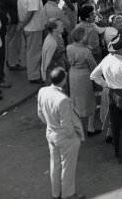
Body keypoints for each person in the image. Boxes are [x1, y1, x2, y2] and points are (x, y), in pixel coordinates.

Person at [37, 68, 85, 199]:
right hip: (65, 137)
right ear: (63, 80)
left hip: (51, 134)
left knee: (55, 165)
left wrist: (50, 125)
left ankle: (56, 193)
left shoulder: (42, 91)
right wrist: (74, 136)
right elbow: (67, 125)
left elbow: (40, 113)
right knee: (68, 167)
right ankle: (68, 194)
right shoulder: (63, 100)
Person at [90, 34, 122, 163]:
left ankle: (118, 152)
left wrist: (106, 85)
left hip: (111, 94)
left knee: (115, 124)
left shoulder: (106, 59)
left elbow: (93, 76)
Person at [66, 25, 98, 135]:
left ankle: (77, 127)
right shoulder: (86, 51)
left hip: (72, 74)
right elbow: (94, 66)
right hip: (84, 76)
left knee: (75, 100)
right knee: (89, 101)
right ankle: (90, 128)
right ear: (82, 37)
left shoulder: (69, 48)